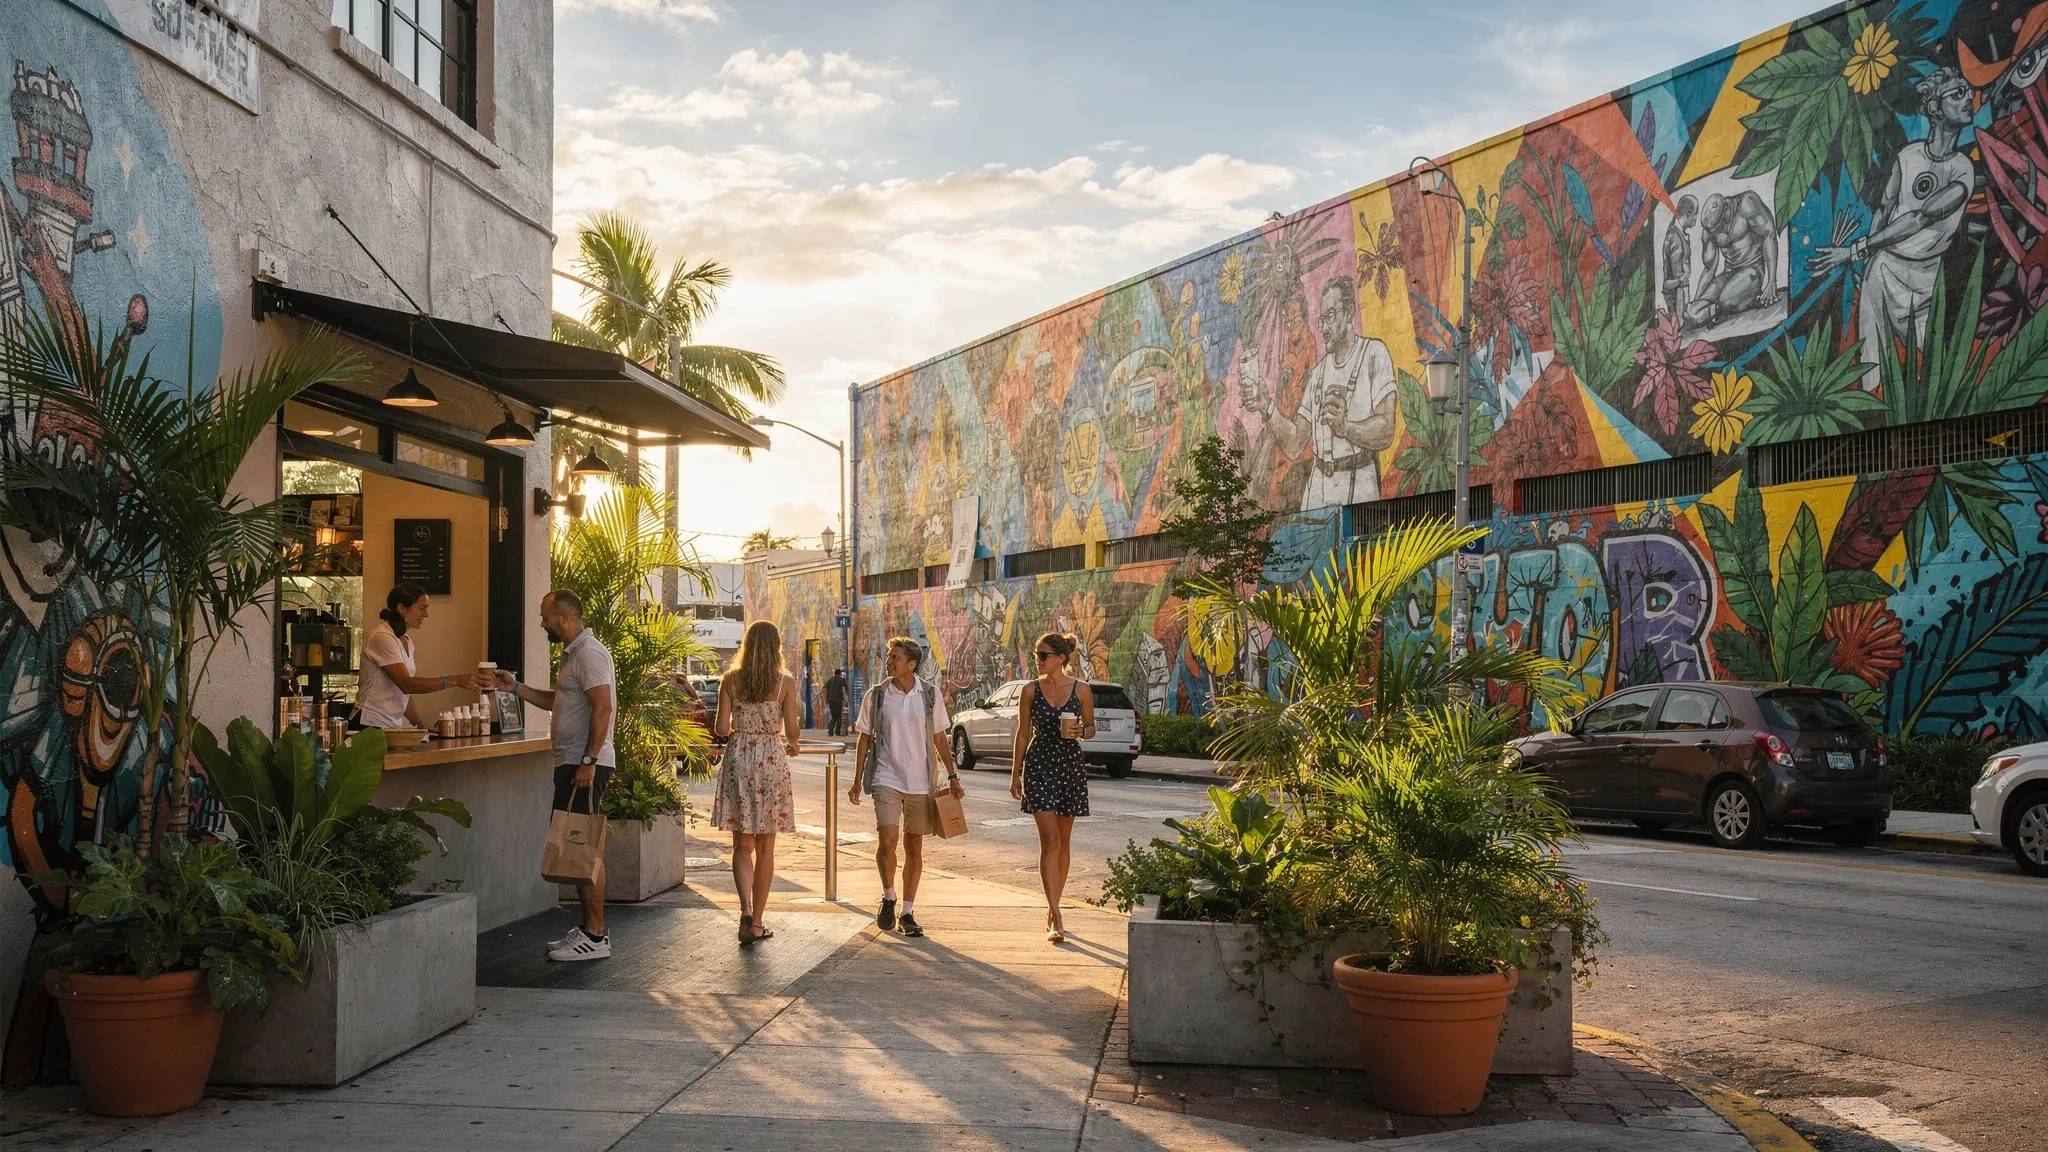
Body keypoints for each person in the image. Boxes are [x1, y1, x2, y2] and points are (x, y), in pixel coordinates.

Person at [1808, 67, 1975, 390]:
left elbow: (1919, 219)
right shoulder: (1908, 156)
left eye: (1967, 91)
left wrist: (1856, 250)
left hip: (1925, 277)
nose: (1969, 97)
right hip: (1883, 269)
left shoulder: (1962, 170)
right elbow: (1885, 209)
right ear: (1936, 108)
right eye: (1958, 93)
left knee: (1936, 359)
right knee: (1872, 360)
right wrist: (1868, 260)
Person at [494, 590, 616, 962]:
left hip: (584, 765)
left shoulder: (589, 654)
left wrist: (588, 761)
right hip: (573, 762)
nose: (542, 623)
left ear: (563, 618)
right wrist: (515, 688)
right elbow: (559, 701)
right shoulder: (573, 655)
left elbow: (603, 707)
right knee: (576, 845)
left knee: (583, 847)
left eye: (545, 617)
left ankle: (596, 937)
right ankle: (589, 929)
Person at [848, 637, 963, 938]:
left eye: (895, 657)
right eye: (888, 657)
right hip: (886, 777)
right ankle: (889, 896)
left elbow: (939, 738)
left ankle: (908, 912)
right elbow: (864, 737)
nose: (889, 662)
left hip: (921, 782)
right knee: (887, 842)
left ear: (911, 664)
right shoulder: (877, 695)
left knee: (914, 847)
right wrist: (857, 779)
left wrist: (952, 776)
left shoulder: (929, 695)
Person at [1257, 275, 1397, 511]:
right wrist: (1267, 407)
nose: (1323, 328)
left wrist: (1346, 428)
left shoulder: (1374, 354)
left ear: (1349, 312)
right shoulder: (1318, 373)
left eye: (1330, 317)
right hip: (1317, 491)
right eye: (1321, 320)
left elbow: (1387, 430)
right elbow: (1295, 444)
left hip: (1359, 488)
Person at [713, 621, 800, 945]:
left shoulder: (731, 680)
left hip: (739, 758)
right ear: (776, 646)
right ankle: (758, 923)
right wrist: (793, 741)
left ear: (746, 645)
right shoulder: (784, 683)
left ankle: (745, 909)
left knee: (742, 845)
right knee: (766, 847)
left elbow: (722, 728)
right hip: (770, 761)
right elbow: (792, 730)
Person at [1010, 632, 1094, 944]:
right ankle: (1056, 914)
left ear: (1061, 658)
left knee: (1064, 841)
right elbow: (1022, 732)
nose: (1038, 660)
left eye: (1044, 655)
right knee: (1049, 840)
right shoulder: (1029, 690)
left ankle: (1053, 904)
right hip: (1039, 764)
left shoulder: (1082, 690)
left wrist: (1081, 731)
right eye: (1036, 655)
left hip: (1070, 766)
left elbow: (1091, 727)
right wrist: (1015, 773)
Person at [355, 582, 479, 729]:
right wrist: (455, 680)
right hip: (370, 724)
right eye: (422, 608)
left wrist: (419, 725)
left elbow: (403, 694)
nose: (426, 614)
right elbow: (407, 685)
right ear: (401, 608)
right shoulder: (381, 637)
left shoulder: (406, 640)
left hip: (391, 725)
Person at [824, 668, 848, 737]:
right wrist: (846, 698)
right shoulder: (842, 680)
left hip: (831, 700)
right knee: (838, 716)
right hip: (838, 700)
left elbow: (826, 690)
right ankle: (835, 731)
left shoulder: (830, 680)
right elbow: (845, 689)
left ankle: (833, 731)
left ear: (834, 673)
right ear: (840, 674)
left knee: (834, 716)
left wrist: (826, 700)